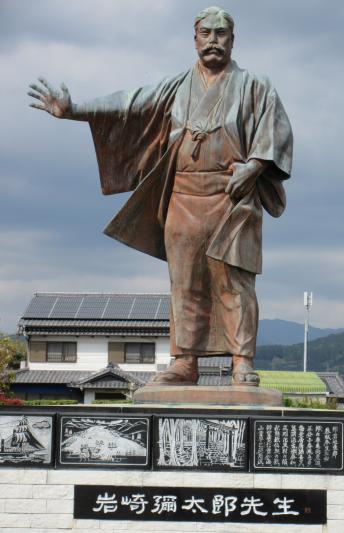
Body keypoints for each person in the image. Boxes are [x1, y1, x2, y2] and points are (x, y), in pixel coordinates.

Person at [28, 6, 293, 387]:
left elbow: (275, 134)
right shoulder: (177, 87)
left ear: (233, 40)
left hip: (232, 198)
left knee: (235, 282)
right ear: (195, 39)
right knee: (184, 282)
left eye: (221, 33)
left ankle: (241, 361)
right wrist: (75, 111)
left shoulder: (255, 86)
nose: (213, 40)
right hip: (183, 196)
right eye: (206, 33)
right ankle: (185, 361)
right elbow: (131, 102)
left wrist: (253, 167)